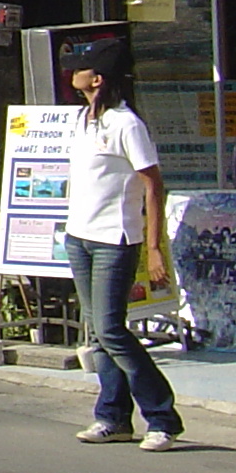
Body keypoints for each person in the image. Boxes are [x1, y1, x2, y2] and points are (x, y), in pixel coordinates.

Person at [65, 41, 181, 450]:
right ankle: (113, 417)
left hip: (115, 239)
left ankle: (162, 415)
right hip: (79, 237)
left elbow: (153, 185)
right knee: (97, 333)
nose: (73, 73)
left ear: (97, 79)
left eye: (82, 68)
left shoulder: (126, 124)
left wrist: (152, 248)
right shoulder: (83, 118)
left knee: (112, 330)